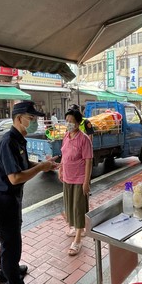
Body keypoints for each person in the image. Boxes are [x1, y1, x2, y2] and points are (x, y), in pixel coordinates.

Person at [0, 101, 57, 284]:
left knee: (8, 240)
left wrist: (44, 166)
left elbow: (24, 164)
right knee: (12, 244)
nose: (34, 122)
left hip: (11, 198)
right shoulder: (9, 141)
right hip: (5, 199)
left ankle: (5, 271)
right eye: (31, 118)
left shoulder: (19, 139)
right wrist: (40, 168)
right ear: (19, 119)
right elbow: (15, 178)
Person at [58, 108, 92, 256]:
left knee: (78, 208)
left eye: (71, 121)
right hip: (67, 177)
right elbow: (63, 155)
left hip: (79, 179)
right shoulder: (66, 136)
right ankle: (76, 228)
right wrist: (60, 169)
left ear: (78, 123)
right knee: (70, 205)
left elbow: (89, 161)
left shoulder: (84, 139)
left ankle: (78, 239)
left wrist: (86, 182)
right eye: (67, 121)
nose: (69, 124)